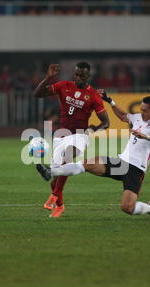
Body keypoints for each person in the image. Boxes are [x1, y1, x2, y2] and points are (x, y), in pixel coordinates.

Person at [42, 91, 150, 219]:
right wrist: (110, 101)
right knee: (88, 163)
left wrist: (145, 136)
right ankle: (51, 171)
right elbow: (123, 116)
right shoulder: (138, 117)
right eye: (141, 109)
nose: (142, 113)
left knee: (127, 208)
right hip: (121, 162)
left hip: (136, 169)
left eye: (145, 111)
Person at [34, 62, 110, 218]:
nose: (78, 78)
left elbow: (106, 122)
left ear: (88, 76)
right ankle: (60, 206)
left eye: (82, 75)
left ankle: (52, 188)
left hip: (80, 135)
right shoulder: (64, 86)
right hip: (61, 135)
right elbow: (37, 94)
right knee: (55, 182)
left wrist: (92, 129)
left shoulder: (94, 95)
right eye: (76, 74)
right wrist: (48, 78)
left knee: (68, 157)